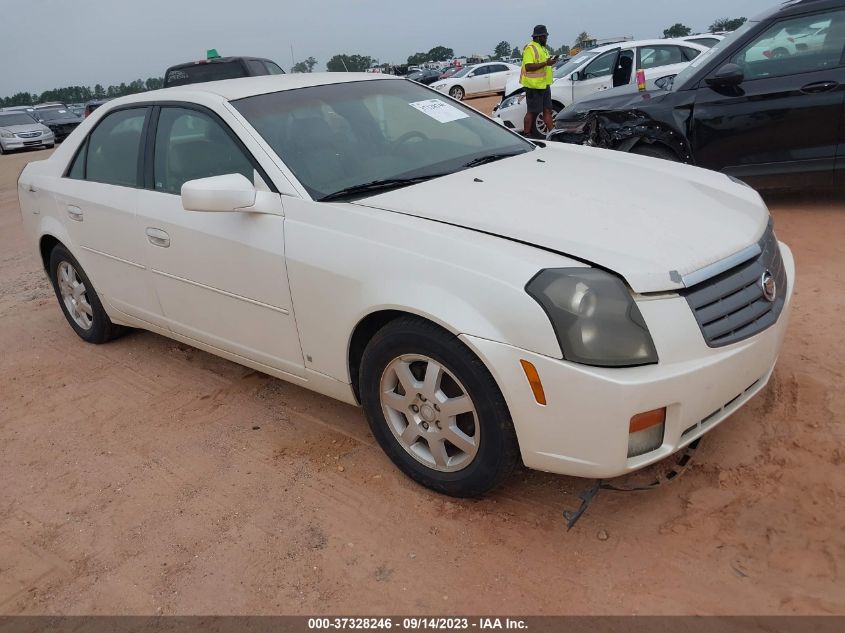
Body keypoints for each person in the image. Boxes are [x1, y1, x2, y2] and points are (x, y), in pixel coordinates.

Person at [520, 25, 558, 137]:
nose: (546, 39)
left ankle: (552, 133)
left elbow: (545, 65)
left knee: (548, 110)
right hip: (533, 87)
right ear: (538, 37)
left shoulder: (543, 48)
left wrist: (550, 62)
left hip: (544, 85)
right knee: (532, 112)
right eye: (545, 37)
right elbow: (528, 67)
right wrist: (546, 63)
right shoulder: (530, 48)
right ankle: (527, 134)